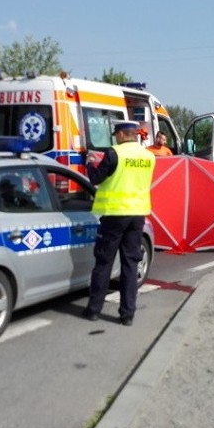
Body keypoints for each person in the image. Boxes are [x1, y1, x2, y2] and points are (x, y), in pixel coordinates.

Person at [82, 121, 156, 326]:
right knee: (130, 264)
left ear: (123, 135)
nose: (116, 138)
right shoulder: (148, 156)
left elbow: (96, 178)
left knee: (104, 262)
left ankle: (94, 310)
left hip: (115, 214)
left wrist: (89, 162)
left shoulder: (115, 153)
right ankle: (127, 315)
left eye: (117, 135)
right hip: (138, 215)